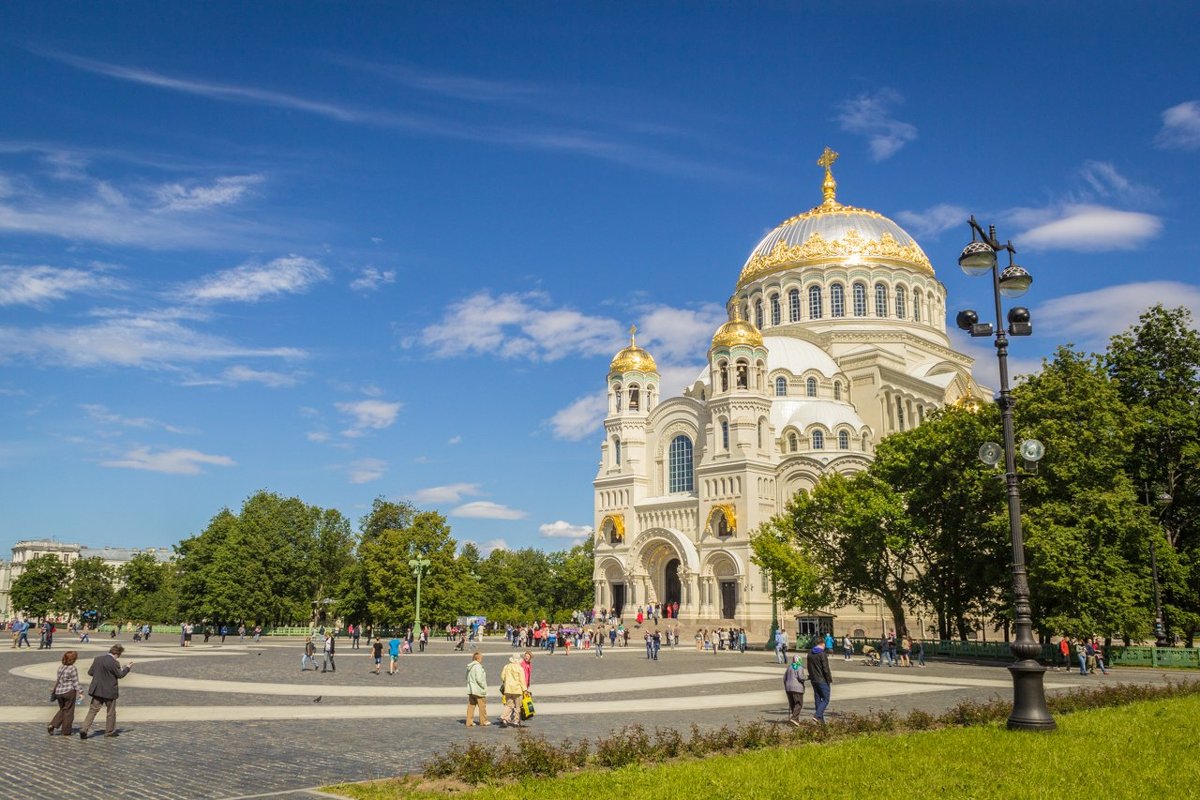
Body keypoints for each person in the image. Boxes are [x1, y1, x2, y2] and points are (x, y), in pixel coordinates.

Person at [79, 644, 133, 739]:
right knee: (111, 712)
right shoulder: (114, 663)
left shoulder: (98, 659)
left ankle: (84, 728)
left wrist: (99, 676)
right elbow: (120, 675)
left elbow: (90, 672)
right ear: (117, 653)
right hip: (109, 690)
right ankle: (109, 731)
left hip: (97, 690)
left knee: (92, 710)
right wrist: (127, 668)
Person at [49, 650, 84, 735]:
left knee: (63, 709)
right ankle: (66, 731)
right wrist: (81, 692)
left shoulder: (61, 667)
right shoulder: (72, 668)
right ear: (73, 659)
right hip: (68, 692)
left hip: (59, 692)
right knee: (69, 712)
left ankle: (52, 725)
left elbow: (58, 680)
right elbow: (75, 682)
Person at [807, 641, 833, 724]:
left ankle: (821, 721)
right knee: (826, 699)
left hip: (814, 679)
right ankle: (817, 715)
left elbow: (808, 667)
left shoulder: (810, 653)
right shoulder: (822, 654)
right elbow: (825, 668)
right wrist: (829, 679)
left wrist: (811, 676)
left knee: (817, 699)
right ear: (823, 644)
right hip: (822, 680)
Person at [499, 654, 527, 728]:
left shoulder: (506, 666)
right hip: (517, 690)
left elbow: (502, 676)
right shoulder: (520, 668)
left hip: (508, 689)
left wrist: (506, 682)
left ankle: (504, 718)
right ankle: (516, 721)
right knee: (517, 706)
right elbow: (522, 680)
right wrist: (525, 690)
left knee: (508, 705)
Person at [465, 651, 488, 727]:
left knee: (471, 706)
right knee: (482, 706)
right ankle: (483, 721)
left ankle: (469, 722)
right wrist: (483, 686)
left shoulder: (470, 666)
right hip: (478, 690)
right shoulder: (477, 666)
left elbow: (466, 677)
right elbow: (479, 679)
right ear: (478, 658)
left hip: (471, 690)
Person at [783, 654, 807, 726]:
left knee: (793, 704)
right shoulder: (799, 667)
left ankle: (796, 721)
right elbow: (801, 677)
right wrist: (807, 677)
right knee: (799, 703)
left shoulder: (789, 667)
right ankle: (794, 718)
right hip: (797, 688)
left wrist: (786, 686)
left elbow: (784, 678)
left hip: (788, 688)